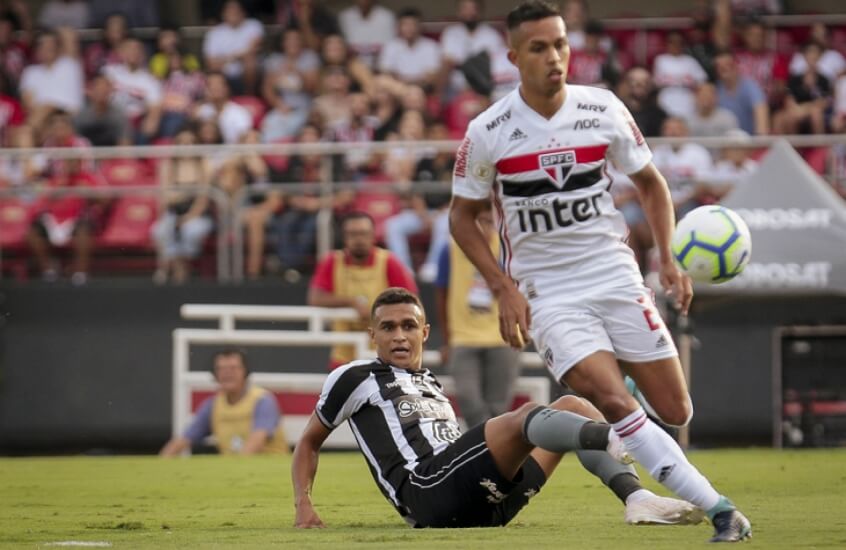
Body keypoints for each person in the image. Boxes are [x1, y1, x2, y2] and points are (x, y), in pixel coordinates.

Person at [448, 2, 751, 542]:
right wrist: (503, 287)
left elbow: (653, 185)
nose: (554, 56)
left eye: (560, 44)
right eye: (539, 48)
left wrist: (671, 260)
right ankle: (722, 509)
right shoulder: (488, 130)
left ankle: (622, 390)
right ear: (515, 57)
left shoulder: (603, 109)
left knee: (676, 408)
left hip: (615, 274)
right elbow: (461, 215)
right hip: (548, 292)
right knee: (615, 403)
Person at [292, 287, 702, 528]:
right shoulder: (357, 376)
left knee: (573, 404)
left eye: (408, 326)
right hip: (427, 492)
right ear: (373, 336)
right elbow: (309, 441)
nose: (399, 336)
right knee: (524, 417)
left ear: (425, 332)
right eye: (388, 327)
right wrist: (304, 505)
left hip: (488, 505)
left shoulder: (429, 382)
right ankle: (615, 434)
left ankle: (636, 498)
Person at [435, 206, 520, 428]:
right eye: (478, 222)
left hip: (502, 337)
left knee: (499, 405)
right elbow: (441, 297)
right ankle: (488, 446)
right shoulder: (449, 251)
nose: (483, 228)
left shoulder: (506, 251)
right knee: (468, 399)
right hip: (463, 338)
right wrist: (447, 340)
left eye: (488, 222)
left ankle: (488, 452)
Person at [307, 212, 417, 369]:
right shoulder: (332, 262)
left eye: (363, 234)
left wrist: (375, 311)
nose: (359, 239)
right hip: (343, 356)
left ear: (373, 236)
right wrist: (352, 302)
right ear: (344, 237)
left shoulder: (389, 262)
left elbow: (412, 303)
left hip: (384, 358)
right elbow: (315, 298)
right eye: (353, 234)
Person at [160, 348, 288, 456]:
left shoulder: (263, 400)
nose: (227, 373)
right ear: (214, 375)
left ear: (245, 372)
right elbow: (184, 439)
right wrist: (161, 463)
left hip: (267, 468)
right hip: (233, 472)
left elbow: (257, 440)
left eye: (233, 368)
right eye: (221, 369)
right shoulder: (212, 405)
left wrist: (236, 466)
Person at [202, 0, 264, 95]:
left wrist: (227, 58)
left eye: (236, 9)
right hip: (224, 72)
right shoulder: (214, 33)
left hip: (247, 73)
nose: (233, 12)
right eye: (229, 9)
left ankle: (249, 95)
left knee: (250, 61)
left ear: (243, 12)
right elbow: (210, 61)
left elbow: (252, 50)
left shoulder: (254, 25)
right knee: (213, 68)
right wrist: (237, 57)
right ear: (223, 14)